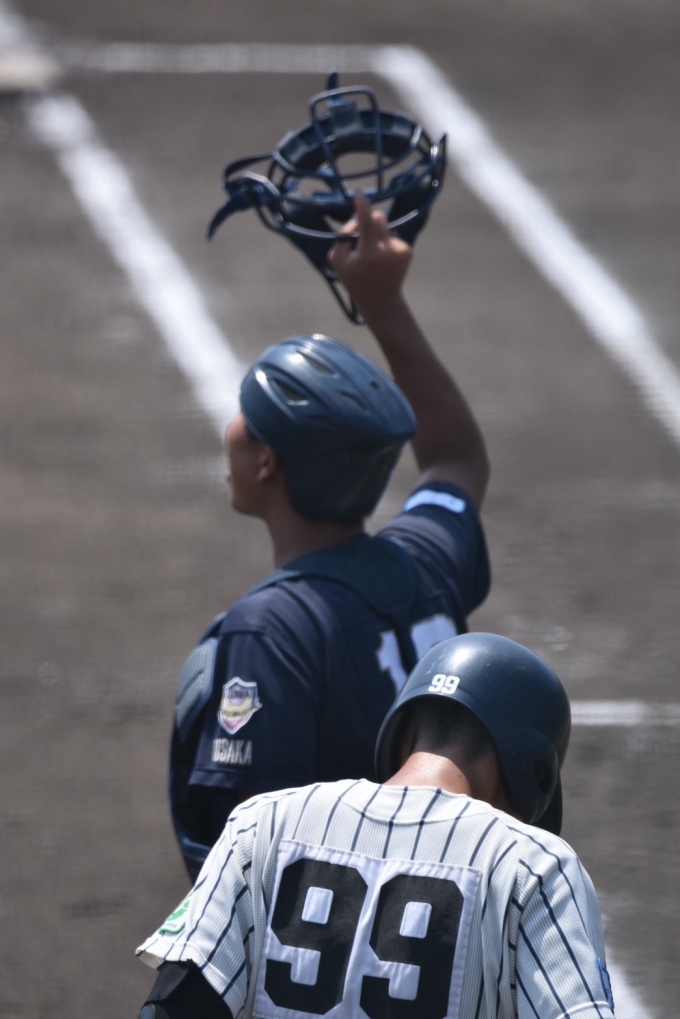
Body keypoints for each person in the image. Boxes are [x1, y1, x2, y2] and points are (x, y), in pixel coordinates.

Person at [171, 193, 492, 879]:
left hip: (330, 942)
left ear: (267, 462)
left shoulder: (271, 632)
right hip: (444, 922)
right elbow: (455, 458)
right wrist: (382, 302)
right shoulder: (426, 562)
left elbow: (244, 862)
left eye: (245, 412)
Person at [137, 632, 616, 1019]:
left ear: (402, 731)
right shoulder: (534, 866)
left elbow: (173, 1008)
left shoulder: (261, 823)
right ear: (533, 773)